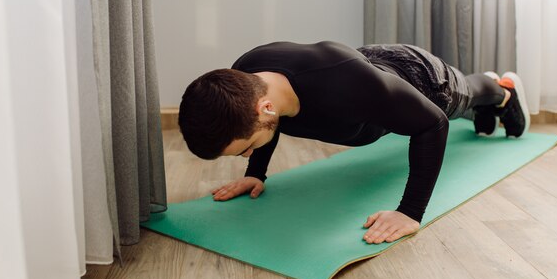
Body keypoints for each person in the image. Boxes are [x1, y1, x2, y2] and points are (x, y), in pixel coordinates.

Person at [178, 41, 530, 244]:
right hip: (371, 73)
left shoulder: (345, 85)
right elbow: (261, 123)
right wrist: (257, 171)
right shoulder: (247, 77)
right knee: (464, 110)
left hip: (421, 79)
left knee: (464, 96)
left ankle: (501, 91)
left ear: (264, 107)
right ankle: (489, 105)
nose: (249, 153)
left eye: (245, 148)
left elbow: (432, 125)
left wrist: (409, 212)